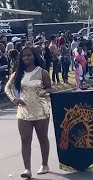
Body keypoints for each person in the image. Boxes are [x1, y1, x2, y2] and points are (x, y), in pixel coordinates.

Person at [5, 47, 52, 179]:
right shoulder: (18, 73)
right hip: (24, 111)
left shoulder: (42, 72)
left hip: (41, 111)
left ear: (34, 56)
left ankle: (44, 164)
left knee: (42, 138)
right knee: (25, 140)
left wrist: (44, 91)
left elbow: (49, 87)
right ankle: (27, 169)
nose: (26, 58)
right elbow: (7, 88)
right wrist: (14, 99)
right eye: (24, 56)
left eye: (29, 55)